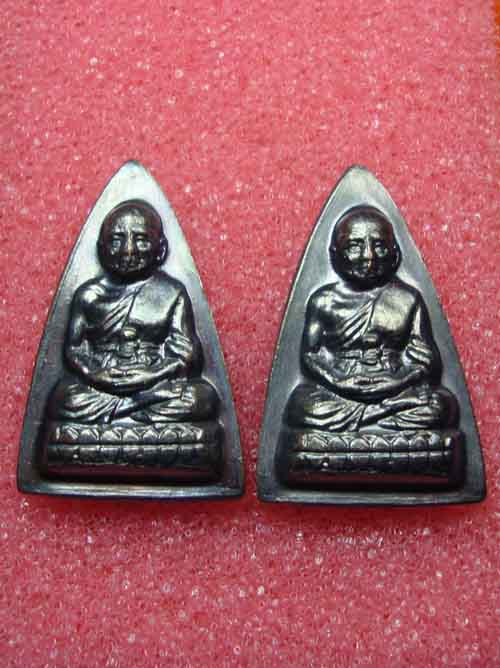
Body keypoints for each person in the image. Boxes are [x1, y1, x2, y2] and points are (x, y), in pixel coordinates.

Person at [286, 207, 458, 432]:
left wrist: (398, 380)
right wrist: (338, 381)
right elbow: (310, 355)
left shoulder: (408, 299)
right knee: (300, 406)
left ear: (394, 252)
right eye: (355, 246)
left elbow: (426, 362)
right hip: (340, 389)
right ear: (335, 253)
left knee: (442, 405)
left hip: (395, 383)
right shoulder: (323, 301)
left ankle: (378, 413)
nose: (369, 256)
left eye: (379, 246)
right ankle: (385, 412)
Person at [48, 200, 218, 425]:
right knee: (63, 398)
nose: (128, 250)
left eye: (141, 240)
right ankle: (135, 407)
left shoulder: (171, 293)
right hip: (103, 381)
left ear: (161, 249)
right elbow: (74, 349)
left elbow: (187, 356)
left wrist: (152, 374)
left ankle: (127, 409)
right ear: (101, 248)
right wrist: (94, 374)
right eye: (116, 240)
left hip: (153, 378)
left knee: (202, 398)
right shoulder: (88, 295)